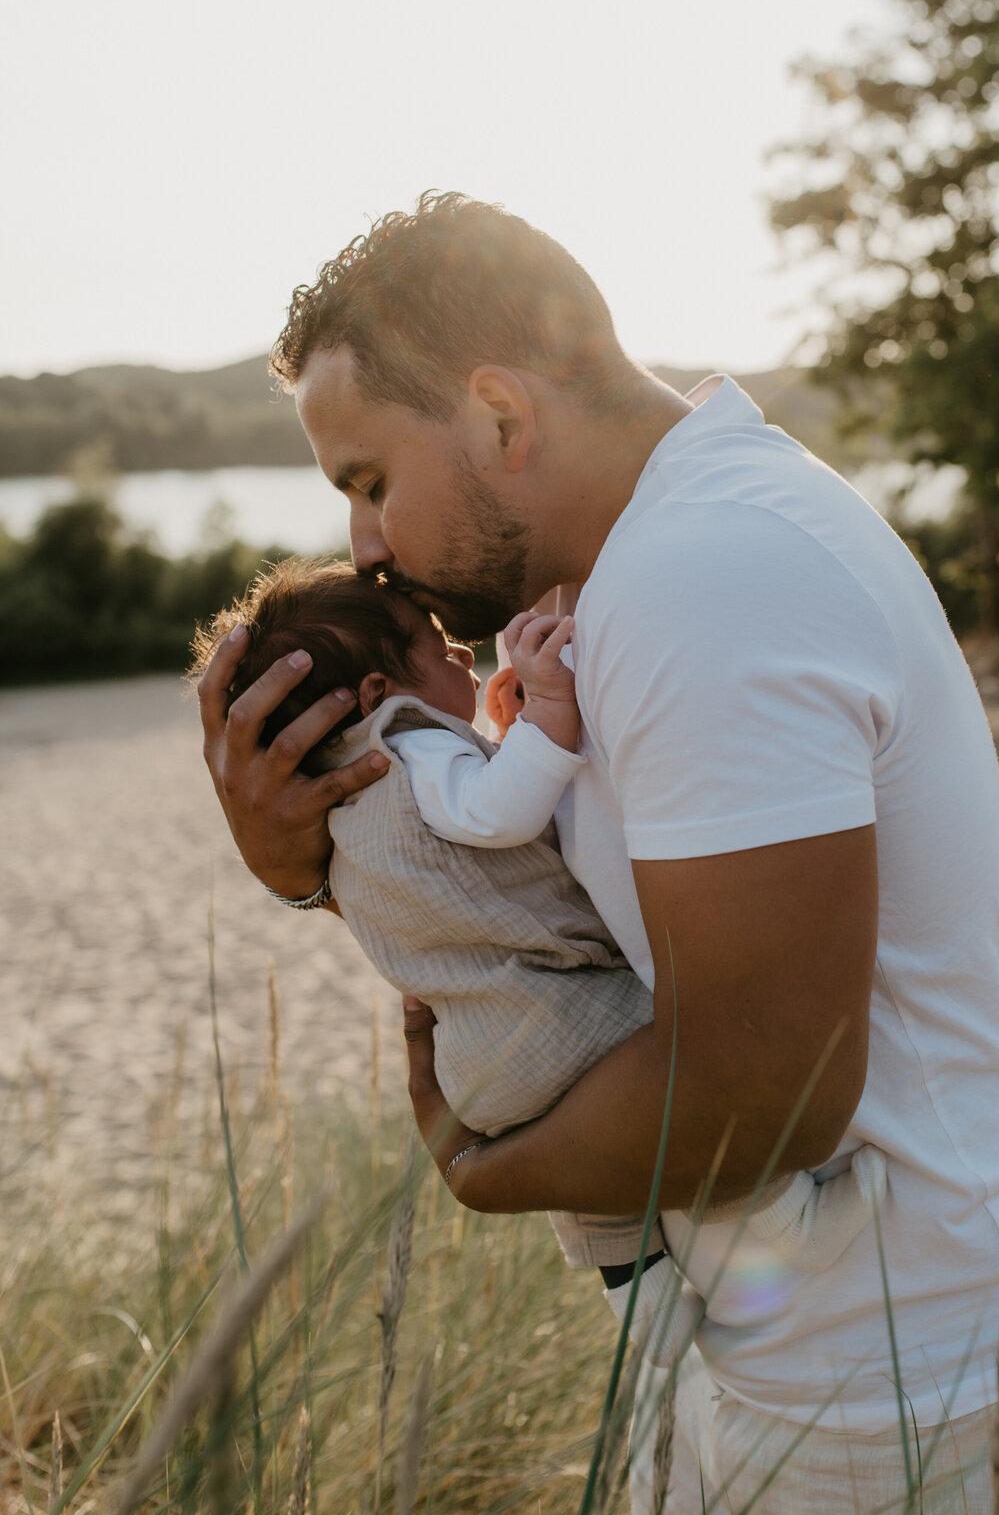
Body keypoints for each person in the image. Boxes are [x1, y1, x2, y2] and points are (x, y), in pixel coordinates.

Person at [198, 193, 999, 1515]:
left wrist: (482, 1168)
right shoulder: (617, 576)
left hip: (928, 1383)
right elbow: (555, 909)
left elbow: (763, 1088)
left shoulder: (708, 577)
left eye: (371, 478)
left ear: (502, 410)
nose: (363, 540)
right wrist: (315, 864)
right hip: (772, 1333)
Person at [193, 556, 884, 1364]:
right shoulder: (411, 753)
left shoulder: (346, 819)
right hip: (561, 1020)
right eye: (435, 646)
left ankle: (643, 1300)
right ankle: (783, 1225)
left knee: (603, 1192)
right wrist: (551, 710)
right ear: (381, 698)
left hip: (485, 1066)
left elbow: (455, 858)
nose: (461, 655)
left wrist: (505, 735)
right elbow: (499, 812)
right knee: (699, 1088)